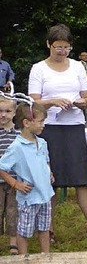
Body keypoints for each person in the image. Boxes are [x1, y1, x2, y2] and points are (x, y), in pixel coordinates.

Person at [28, 24, 87, 243]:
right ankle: (48, 229)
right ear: (48, 44)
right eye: (58, 46)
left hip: (74, 126)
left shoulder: (77, 67)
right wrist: (53, 102)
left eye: (66, 47)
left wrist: (80, 103)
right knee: (50, 179)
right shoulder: (39, 69)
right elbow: (33, 102)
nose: (62, 51)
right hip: (48, 128)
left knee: (82, 179)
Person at [0, 102, 54, 255]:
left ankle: (46, 257)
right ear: (27, 123)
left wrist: (49, 173)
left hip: (45, 195)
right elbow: (2, 167)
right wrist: (15, 183)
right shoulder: (17, 146)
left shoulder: (42, 143)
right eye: (40, 121)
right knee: (23, 231)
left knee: (44, 228)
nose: (43, 125)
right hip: (29, 197)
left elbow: (45, 161)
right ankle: (23, 260)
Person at [0, 98, 19, 254]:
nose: (3, 115)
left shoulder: (19, 134)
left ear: (14, 112)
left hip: (14, 180)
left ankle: (13, 242)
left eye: (7, 111)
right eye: (0, 111)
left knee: (13, 210)